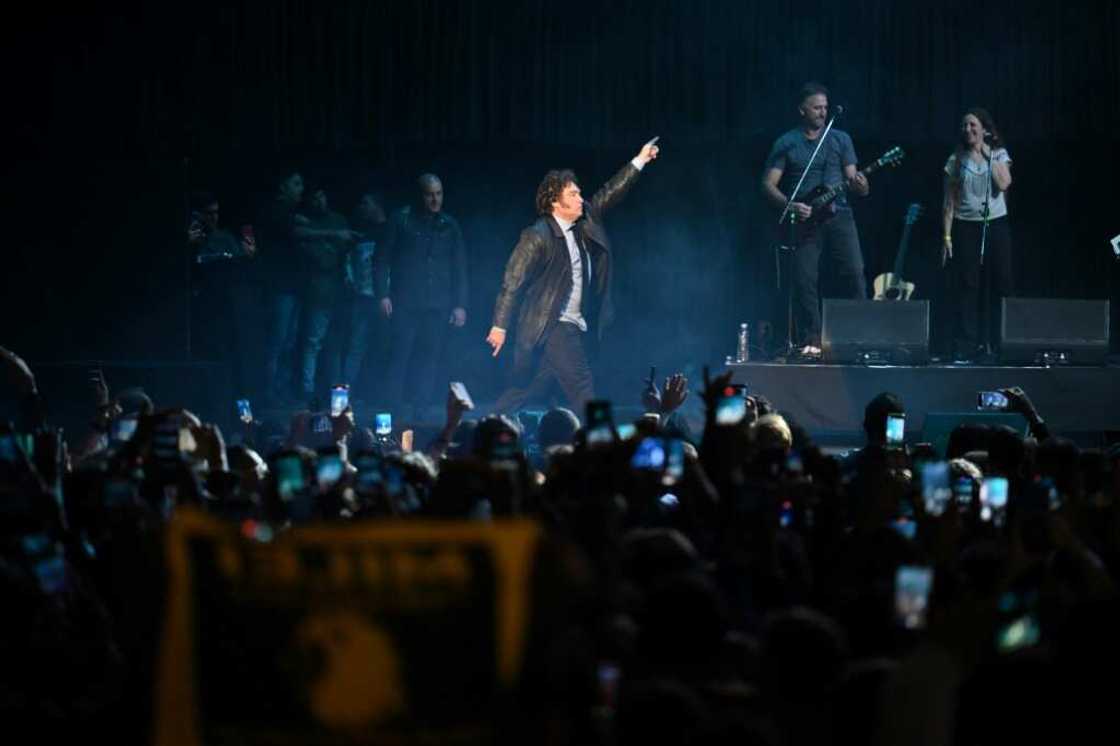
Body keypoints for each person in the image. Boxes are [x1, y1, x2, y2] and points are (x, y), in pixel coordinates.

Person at [486, 137, 660, 415]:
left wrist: (639, 160)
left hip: (572, 325)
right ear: (555, 202)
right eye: (573, 195)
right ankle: (600, 444)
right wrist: (499, 325)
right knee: (583, 389)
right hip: (553, 324)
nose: (581, 199)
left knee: (525, 390)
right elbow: (512, 280)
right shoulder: (537, 235)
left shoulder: (584, 221)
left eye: (580, 194)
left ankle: (486, 428)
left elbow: (609, 193)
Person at [761, 82, 870, 359]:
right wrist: (791, 205)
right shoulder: (787, 142)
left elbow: (854, 179)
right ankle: (812, 339)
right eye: (817, 107)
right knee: (804, 278)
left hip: (839, 214)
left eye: (825, 107)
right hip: (805, 219)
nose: (823, 112)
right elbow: (768, 184)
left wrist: (861, 185)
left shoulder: (841, 139)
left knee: (855, 272)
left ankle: (861, 336)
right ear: (802, 110)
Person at [376, 174, 469, 419]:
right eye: (429, 194)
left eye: (438, 193)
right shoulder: (401, 220)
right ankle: (393, 407)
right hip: (405, 301)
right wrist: (382, 294)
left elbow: (459, 266)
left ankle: (421, 408)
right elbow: (382, 259)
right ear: (420, 195)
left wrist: (460, 304)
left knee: (429, 357)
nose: (434, 199)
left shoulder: (449, 225)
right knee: (400, 354)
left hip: (437, 303)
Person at [941, 107, 1013, 362]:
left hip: (995, 224)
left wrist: (987, 152)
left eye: (973, 125)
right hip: (965, 226)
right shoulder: (956, 160)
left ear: (984, 129)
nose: (968, 130)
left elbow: (1003, 184)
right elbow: (949, 202)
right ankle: (967, 344)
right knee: (968, 286)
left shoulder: (999, 154)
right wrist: (947, 237)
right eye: (964, 126)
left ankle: (999, 341)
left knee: (1001, 282)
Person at [187, 191, 259, 399]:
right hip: (203, 309)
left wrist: (249, 257)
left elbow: (240, 266)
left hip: (230, 309)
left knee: (234, 362)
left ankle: (240, 415)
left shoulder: (225, 237)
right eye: (208, 214)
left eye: (216, 213)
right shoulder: (193, 239)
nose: (213, 218)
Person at [295, 186, 358, 402]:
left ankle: (338, 396)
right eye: (314, 196)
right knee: (313, 343)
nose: (319, 200)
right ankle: (307, 392)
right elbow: (321, 259)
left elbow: (348, 251)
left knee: (337, 345)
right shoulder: (305, 224)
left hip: (340, 293)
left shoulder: (338, 220)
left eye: (321, 195)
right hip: (319, 291)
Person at [258, 169, 305, 405]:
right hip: (280, 287)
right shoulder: (276, 212)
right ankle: (268, 393)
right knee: (277, 342)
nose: (301, 189)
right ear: (283, 186)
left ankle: (280, 392)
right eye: (296, 183)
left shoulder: (293, 214)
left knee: (288, 343)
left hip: (293, 288)